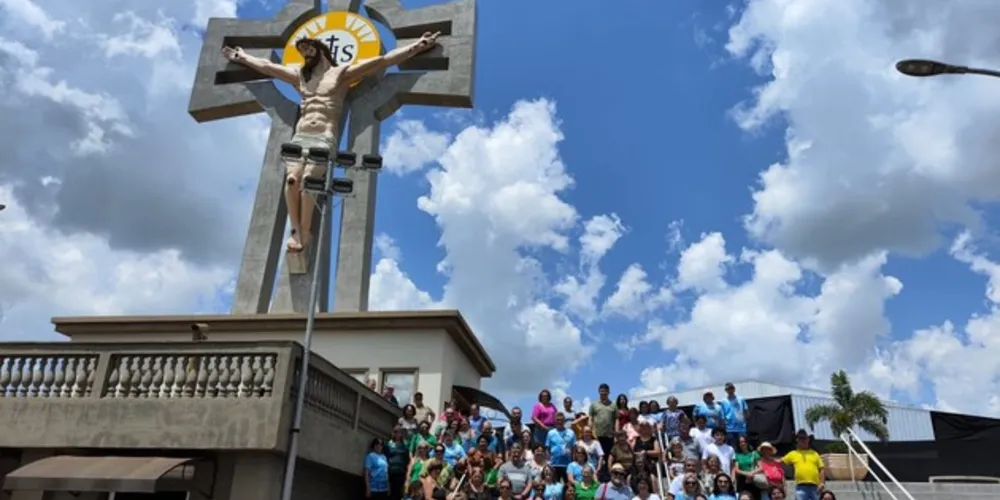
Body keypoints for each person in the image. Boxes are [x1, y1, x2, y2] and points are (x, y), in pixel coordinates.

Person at [222, 32, 440, 253]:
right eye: (302, 52)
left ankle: (305, 230)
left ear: (321, 50)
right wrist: (242, 57)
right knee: (292, 180)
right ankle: (296, 229)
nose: (306, 55)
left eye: (309, 49)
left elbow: (382, 61)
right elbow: (268, 67)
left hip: (323, 135)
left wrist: (416, 46)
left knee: (309, 179)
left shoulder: (340, 74)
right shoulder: (300, 76)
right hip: (300, 136)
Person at [778, 430, 825, 500]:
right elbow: (779, 463)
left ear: (808, 439)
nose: (803, 440)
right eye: (801, 438)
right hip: (801, 487)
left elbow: (821, 469)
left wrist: (822, 483)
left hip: (815, 486)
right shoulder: (793, 454)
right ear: (797, 440)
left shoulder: (815, 454)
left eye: (804, 438)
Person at [590, 383, 618, 467]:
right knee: (597, 457)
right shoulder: (594, 405)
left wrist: (616, 434)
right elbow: (590, 418)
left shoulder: (613, 405)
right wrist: (591, 431)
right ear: (599, 392)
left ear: (608, 392)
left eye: (605, 391)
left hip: (609, 436)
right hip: (597, 435)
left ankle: (608, 473)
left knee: (609, 457)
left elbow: (616, 420)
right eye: (602, 391)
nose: (603, 393)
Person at [546, 412, 576, 481]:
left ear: (564, 421)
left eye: (561, 420)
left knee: (568, 485)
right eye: (558, 420)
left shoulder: (571, 433)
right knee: (555, 485)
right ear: (555, 421)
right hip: (554, 465)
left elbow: (574, 449)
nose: (559, 422)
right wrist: (548, 462)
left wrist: (573, 462)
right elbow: (547, 449)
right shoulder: (550, 433)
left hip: (568, 465)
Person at [387, 427, 412, 500]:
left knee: (396, 494)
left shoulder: (404, 446)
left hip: (399, 474)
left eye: (399, 432)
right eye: (396, 432)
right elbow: (386, 457)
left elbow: (406, 460)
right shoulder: (388, 445)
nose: (398, 434)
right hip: (389, 473)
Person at [721, 383, 749, 448]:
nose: (730, 390)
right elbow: (722, 416)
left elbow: (747, 412)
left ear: (734, 389)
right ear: (726, 390)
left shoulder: (741, 399)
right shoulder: (723, 401)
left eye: (731, 388)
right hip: (729, 429)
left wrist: (743, 421)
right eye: (728, 389)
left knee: (743, 447)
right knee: (732, 448)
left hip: (741, 428)